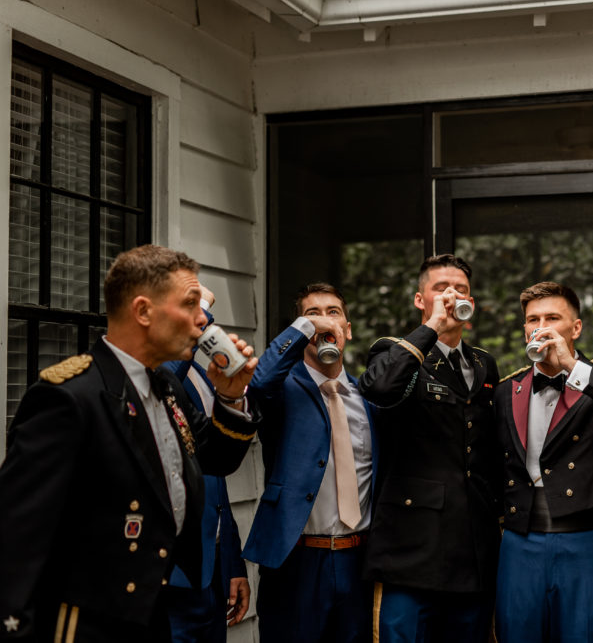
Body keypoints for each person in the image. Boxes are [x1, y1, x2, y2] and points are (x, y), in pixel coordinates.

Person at [0, 244, 259, 643]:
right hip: (83, 626)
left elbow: (217, 458)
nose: (202, 318)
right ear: (143, 311)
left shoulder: (166, 386)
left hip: (150, 615)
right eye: (190, 303)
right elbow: (15, 542)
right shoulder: (69, 398)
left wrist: (230, 397)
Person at [494, 281, 593, 643]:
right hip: (519, 542)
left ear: (576, 328)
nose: (541, 327)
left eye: (552, 318)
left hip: (583, 540)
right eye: (533, 319)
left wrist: (571, 365)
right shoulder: (507, 389)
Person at [358, 254, 500, 643]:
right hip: (410, 549)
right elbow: (379, 388)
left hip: (472, 549)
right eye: (441, 289)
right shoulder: (395, 351)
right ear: (420, 299)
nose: (452, 296)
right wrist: (433, 326)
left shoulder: (484, 364)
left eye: (461, 290)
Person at [243, 283, 377, 643]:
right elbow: (258, 383)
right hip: (297, 562)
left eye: (333, 312)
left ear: (348, 329)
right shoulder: (281, 389)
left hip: (359, 561)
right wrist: (305, 329)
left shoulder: (367, 397)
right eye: (311, 313)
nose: (324, 320)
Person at [165, 287, 252, 642]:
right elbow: (162, 371)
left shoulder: (201, 376)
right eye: (191, 310)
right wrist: (202, 303)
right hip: (171, 575)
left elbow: (216, 474)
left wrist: (232, 562)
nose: (201, 321)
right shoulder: (158, 378)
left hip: (212, 569)